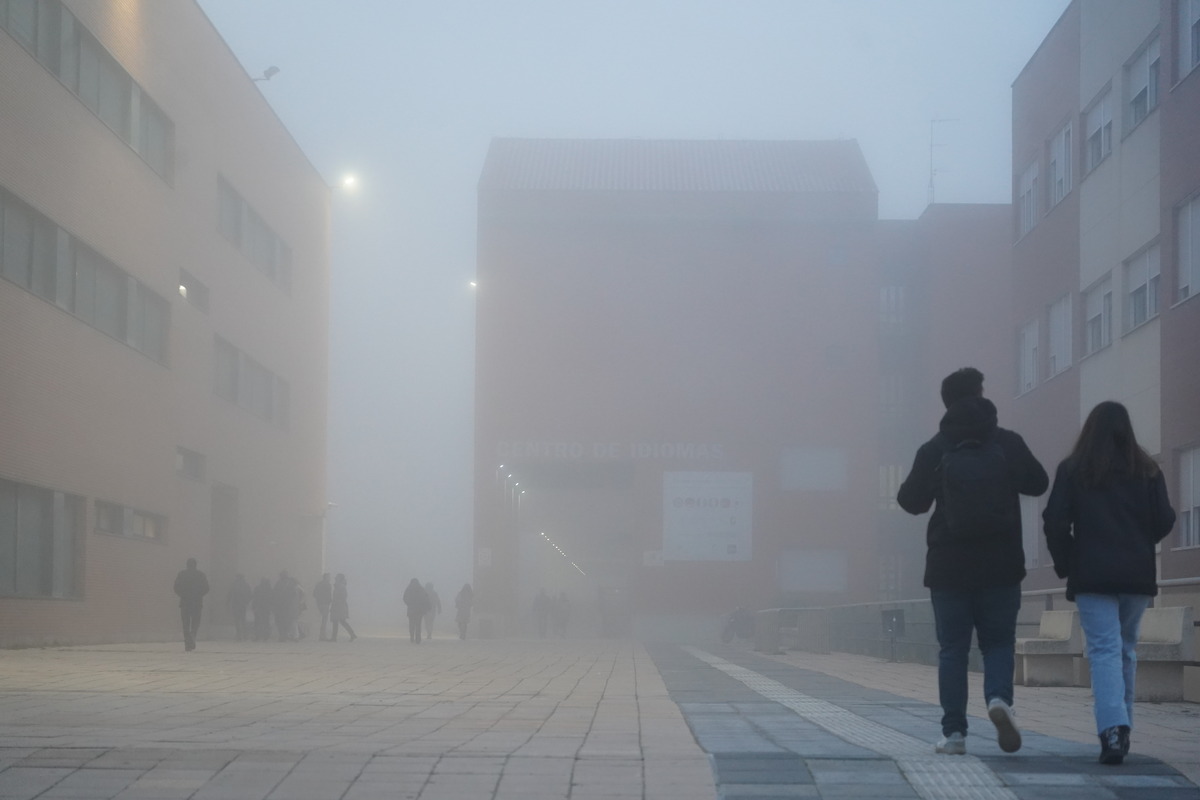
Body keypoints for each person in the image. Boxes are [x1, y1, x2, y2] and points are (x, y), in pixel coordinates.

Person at [897, 367, 1048, 756]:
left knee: (953, 650)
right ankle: (999, 700)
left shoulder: (935, 448)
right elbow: (1038, 482)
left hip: (949, 568)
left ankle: (954, 734)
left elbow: (910, 502)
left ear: (946, 402)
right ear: (980, 395)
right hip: (1000, 564)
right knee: (999, 643)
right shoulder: (1006, 442)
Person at [1042, 401, 1176, 765]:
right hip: (1135, 575)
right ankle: (1122, 727)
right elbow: (1165, 520)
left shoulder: (1073, 469)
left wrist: (1068, 561)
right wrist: (1137, 538)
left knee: (1103, 650)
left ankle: (1113, 730)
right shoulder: (1147, 471)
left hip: (1092, 576)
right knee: (1125, 650)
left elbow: (1054, 520)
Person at [173, 558, 209, 652]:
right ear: (195, 565)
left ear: (187, 564)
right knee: (195, 622)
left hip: (185, 602)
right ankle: (192, 636)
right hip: (197, 602)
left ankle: (187, 644)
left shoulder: (182, 574)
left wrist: (182, 594)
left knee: (185, 623)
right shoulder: (200, 575)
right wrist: (199, 594)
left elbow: (176, 587)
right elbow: (206, 588)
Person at [330, 573, 358, 642]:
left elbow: (343, 597)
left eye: (337, 577)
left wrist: (336, 604)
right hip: (338, 606)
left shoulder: (341, 586)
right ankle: (352, 634)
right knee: (340, 621)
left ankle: (334, 638)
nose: (335, 578)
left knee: (337, 621)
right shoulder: (339, 586)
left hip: (339, 607)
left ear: (340, 578)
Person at [403, 578, 430, 643]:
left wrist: (409, 604)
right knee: (418, 624)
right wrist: (426, 607)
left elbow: (404, 598)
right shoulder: (421, 589)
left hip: (411, 610)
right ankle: (418, 638)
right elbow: (426, 598)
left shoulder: (408, 589)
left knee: (411, 624)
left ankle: (412, 637)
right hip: (419, 610)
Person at [227, 573, 252, 642]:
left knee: (237, 620)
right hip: (242, 605)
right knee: (243, 620)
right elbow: (250, 595)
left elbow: (230, 594)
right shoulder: (245, 585)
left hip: (236, 605)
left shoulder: (234, 584)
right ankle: (244, 635)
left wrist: (228, 602)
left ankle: (239, 634)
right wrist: (246, 602)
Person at [252, 577, 273, 642]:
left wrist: (254, 607)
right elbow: (271, 599)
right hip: (266, 608)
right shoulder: (269, 589)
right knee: (266, 622)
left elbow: (254, 598)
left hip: (258, 608)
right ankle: (266, 636)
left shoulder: (257, 588)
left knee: (257, 622)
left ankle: (257, 636)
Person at [313, 573, 333, 641]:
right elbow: (329, 595)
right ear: (326, 577)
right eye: (329, 577)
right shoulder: (328, 585)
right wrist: (329, 601)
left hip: (319, 603)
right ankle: (322, 636)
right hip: (325, 604)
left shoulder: (318, 584)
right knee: (324, 620)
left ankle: (322, 636)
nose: (330, 578)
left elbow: (314, 594)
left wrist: (319, 600)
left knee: (323, 620)